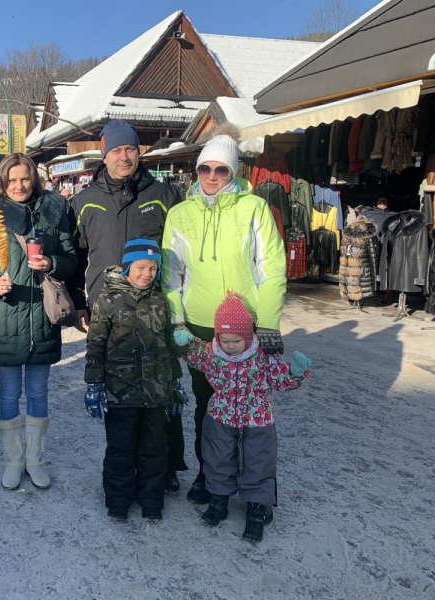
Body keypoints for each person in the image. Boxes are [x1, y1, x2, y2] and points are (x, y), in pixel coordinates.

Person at [161, 124, 287, 504]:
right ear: (196, 171)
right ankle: (209, 475)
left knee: (249, 405)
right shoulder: (180, 214)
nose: (212, 177)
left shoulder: (254, 208)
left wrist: (266, 323)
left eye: (221, 170)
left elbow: (272, 269)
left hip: (245, 327)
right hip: (200, 326)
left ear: (233, 173)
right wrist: (177, 321)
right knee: (210, 406)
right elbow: (172, 276)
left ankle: (255, 483)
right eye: (205, 169)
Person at [66, 119, 184, 492]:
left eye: (130, 149)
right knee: (118, 396)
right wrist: (78, 305)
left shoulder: (163, 195)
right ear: (104, 154)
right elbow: (72, 257)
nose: (124, 156)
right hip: (108, 312)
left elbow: (183, 254)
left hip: (154, 312)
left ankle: (163, 469)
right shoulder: (83, 202)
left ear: (139, 152)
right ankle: (123, 468)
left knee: (160, 391)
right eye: (116, 150)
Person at [0, 153, 77, 490]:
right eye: (12, 179)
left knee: (38, 393)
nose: (19, 185)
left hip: (42, 319)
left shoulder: (53, 214)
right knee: (7, 395)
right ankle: (13, 461)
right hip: (5, 317)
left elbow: (71, 259)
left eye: (25, 179)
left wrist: (52, 263)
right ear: (3, 182)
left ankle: (35, 459)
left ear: (34, 180)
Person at [174, 291, 309, 542]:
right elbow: (196, 355)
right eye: (224, 340)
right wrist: (188, 341)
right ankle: (218, 500)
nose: (230, 346)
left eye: (236, 340)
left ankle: (257, 509)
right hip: (221, 417)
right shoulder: (214, 353)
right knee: (218, 459)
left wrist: (296, 372)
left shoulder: (263, 357)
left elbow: (280, 379)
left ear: (247, 336)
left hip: (257, 420)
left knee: (258, 461)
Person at [83, 238, 185, 523]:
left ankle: (151, 500)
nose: (147, 274)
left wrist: (175, 383)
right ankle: (118, 501)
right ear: (128, 266)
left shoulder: (160, 299)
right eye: (141, 267)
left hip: (156, 389)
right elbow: (96, 345)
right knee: (120, 447)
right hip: (121, 390)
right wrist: (93, 384)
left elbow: (168, 346)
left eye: (153, 268)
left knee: (154, 446)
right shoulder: (108, 300)